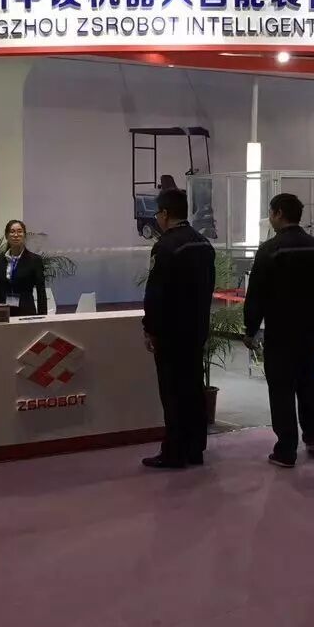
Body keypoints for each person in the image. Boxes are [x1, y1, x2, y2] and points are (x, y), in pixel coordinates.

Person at [243, 193, 314, 468]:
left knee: (281, 388)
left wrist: (250, 328)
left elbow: (257, 294)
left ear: (278, 214)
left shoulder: (270, 250)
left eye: (271, 213)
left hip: (281, 331)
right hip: (310, 331)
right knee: (307, 381)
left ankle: (286, 449)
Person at [141, 188, 215, 470]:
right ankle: (196, 448)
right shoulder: (203, 244)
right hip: (196, 329)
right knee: (194, 388)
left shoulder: (166, 246)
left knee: (172, 392)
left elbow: (156, 292)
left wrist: (150, 328)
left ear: (164, 214)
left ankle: (174, 451)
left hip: (171, 332)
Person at [0, 219, 47, 316]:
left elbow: (41, 291)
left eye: (19, 231)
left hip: (26, 312)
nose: (16, 235)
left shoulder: (34, 260)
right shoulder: (0, 260)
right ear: (7, 236)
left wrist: (43, 316)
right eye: (12, 232)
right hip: (3, 313)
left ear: (24, 235)